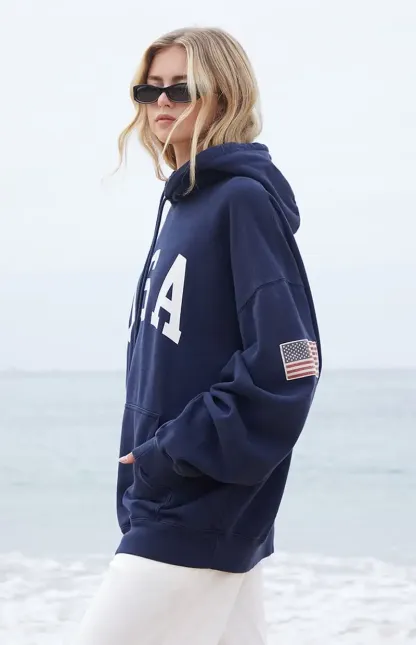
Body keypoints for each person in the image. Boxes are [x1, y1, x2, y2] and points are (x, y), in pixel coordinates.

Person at [73, 26, 321, 645]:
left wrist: (172, 451)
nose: (161, 102)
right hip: (180, 500)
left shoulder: (242, 201)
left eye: (180, 89)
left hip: (194, 504)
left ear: (223, 93)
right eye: (149, 89)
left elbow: (291, 361)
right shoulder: (184, 206)